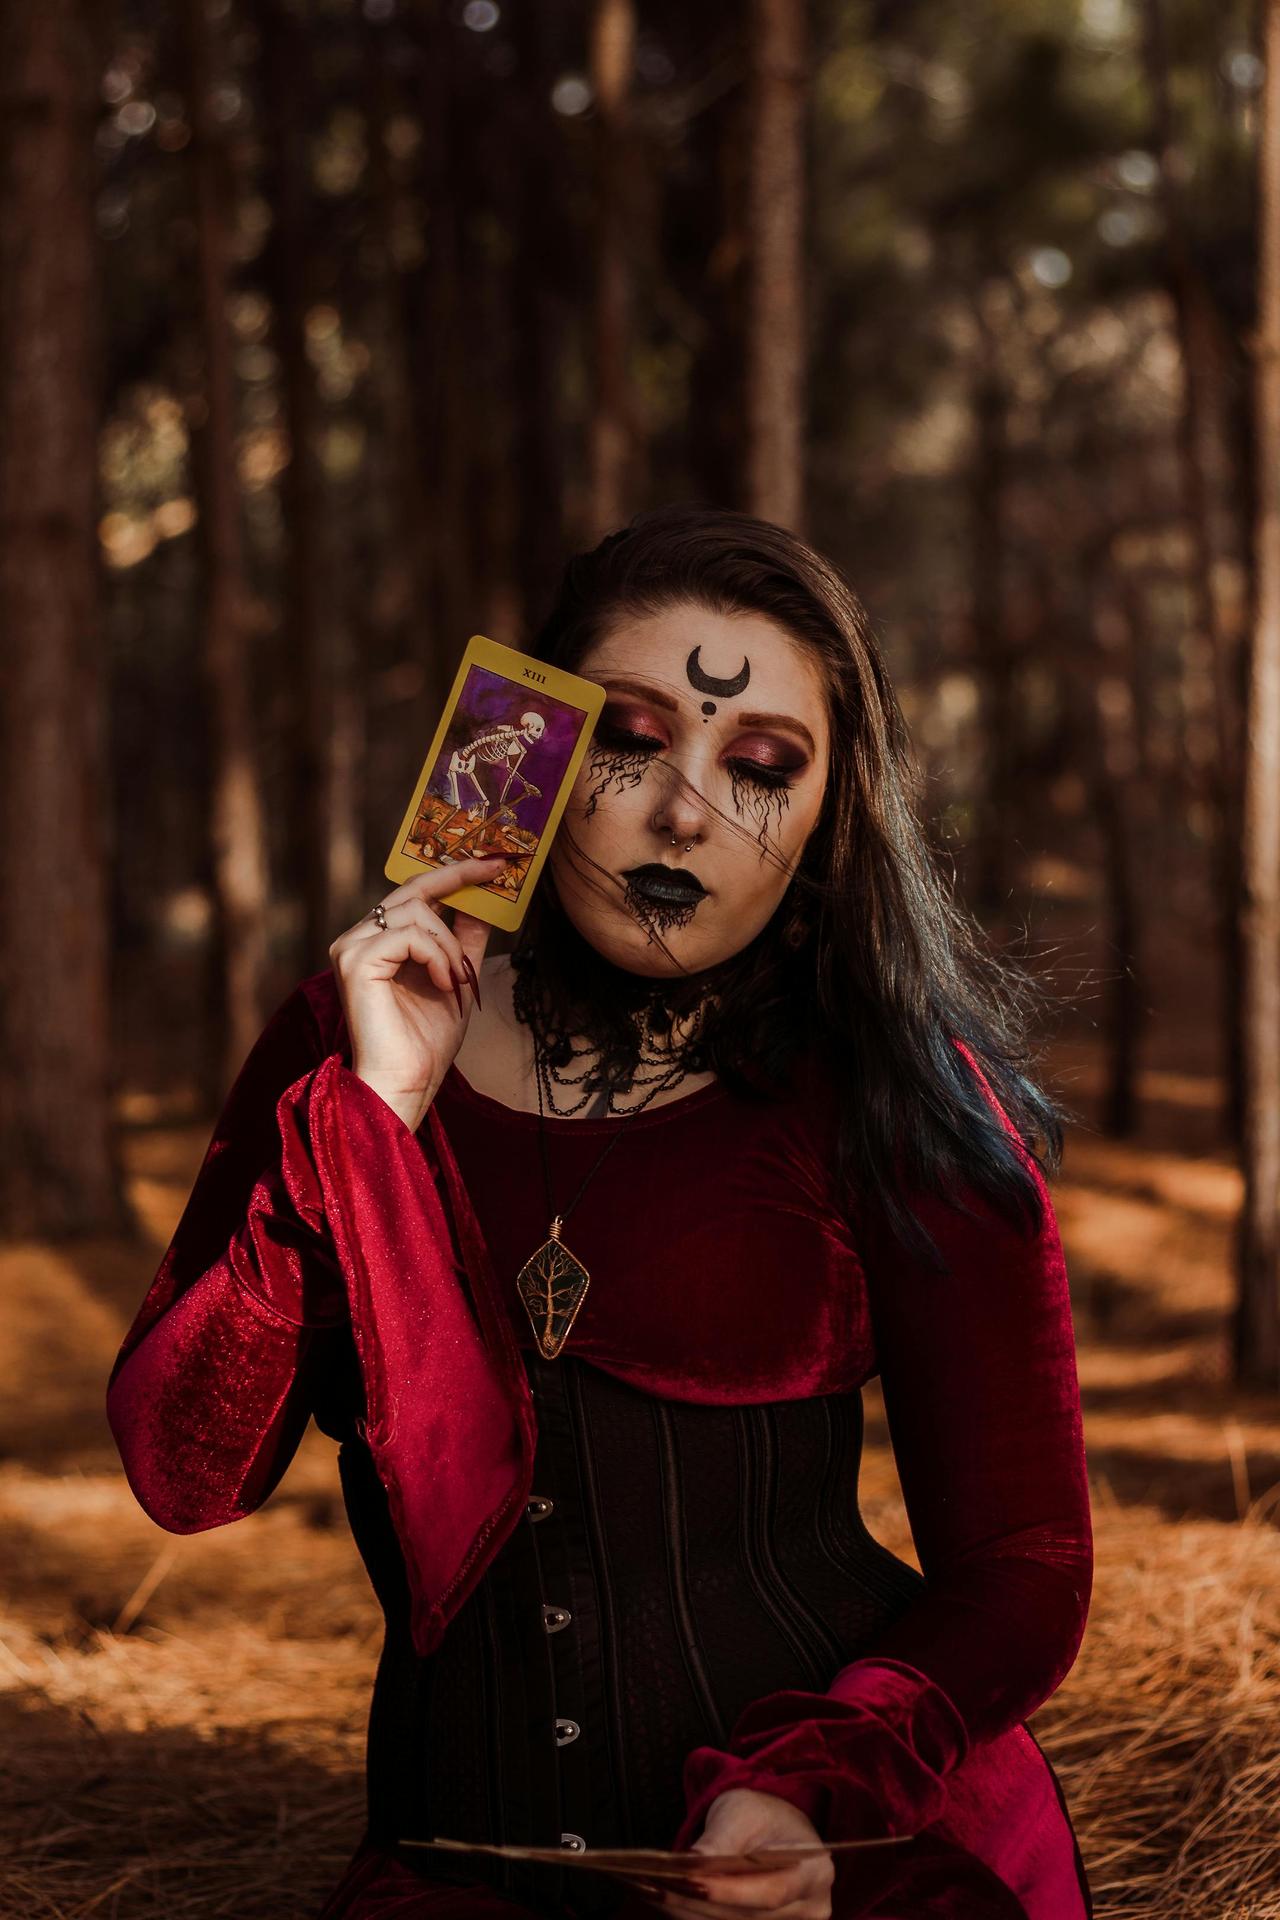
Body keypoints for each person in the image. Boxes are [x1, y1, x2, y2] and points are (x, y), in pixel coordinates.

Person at [106, 504, 1094, 1920]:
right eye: (631, 743)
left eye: (759, 767)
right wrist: (371, 1119)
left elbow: (1026, 1563)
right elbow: (183, 1475)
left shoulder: (891, 1086)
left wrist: (820, 1783)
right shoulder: (350, 1032)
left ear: (825, 823)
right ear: (537, 754)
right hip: (464, 1868)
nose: (683, 810)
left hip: (843, 1861)